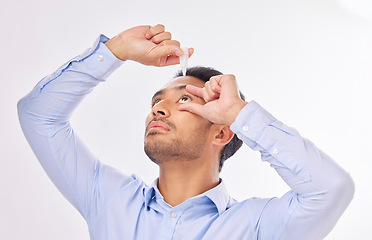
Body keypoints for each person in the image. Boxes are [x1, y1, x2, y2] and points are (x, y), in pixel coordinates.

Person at [18, 24, 354, 240]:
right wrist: (115, 51)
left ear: (223, 133)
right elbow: (38, 116)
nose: (157, 109)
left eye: (184, 100)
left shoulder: (258, 226)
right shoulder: (109, 199)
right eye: (156, 101)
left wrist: (240, 114)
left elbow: (331, 190)